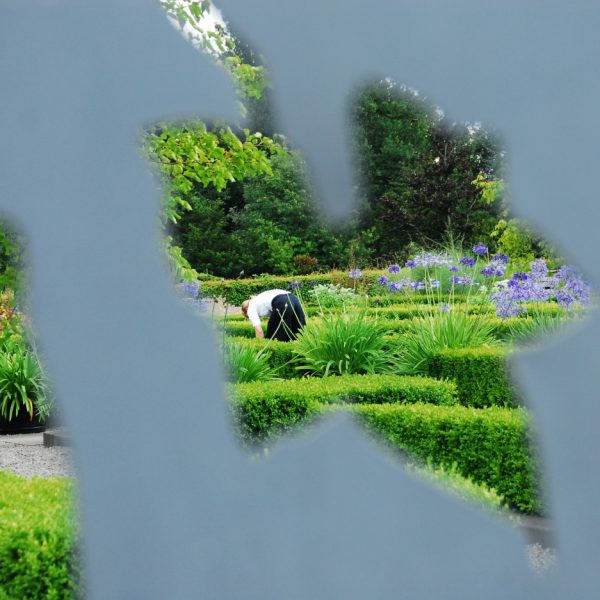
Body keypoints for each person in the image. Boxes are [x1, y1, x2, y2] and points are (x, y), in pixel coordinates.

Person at [241, 289, 306, 341]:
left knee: (275, 336)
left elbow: (259, 331)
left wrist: (260, 345)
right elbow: (273, 317)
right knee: (298, 332)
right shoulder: (258, 299)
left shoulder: (250, 308)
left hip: (281, 301)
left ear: (246, 310)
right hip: (294, 298)